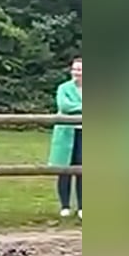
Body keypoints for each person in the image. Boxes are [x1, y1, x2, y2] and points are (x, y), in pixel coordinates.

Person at [47, 56, 82, 219]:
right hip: (66, 133)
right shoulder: (63, 88)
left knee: (83, 169)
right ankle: (65, 205)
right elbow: (64, 106)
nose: (77, 72)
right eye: (75, 69)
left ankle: (82, 207)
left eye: (80, 70)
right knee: (64, 169)